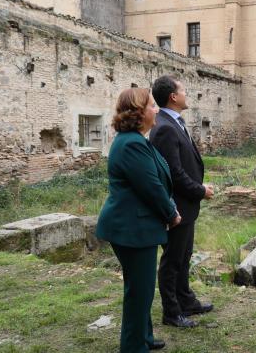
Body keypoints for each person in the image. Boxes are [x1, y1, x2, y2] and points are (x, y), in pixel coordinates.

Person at [96, 88, 181, 352]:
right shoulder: (132, 143)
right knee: (139, 293)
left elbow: (156, 181)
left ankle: (144, 337)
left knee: (140, 288)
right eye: (153, 106)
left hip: (134, 226)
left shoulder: (135, 139)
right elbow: (151, 187)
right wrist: (171, 213)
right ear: (138, 112)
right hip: (132, 229)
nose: (157, 110)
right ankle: (134, 347)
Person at [150, 76, 214, 328]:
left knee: (184, 256)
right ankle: (171, 312)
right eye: (183, 90)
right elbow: (174, 173)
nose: (187, 94)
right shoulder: (164, 126)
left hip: (186, 206)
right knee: (172, 260)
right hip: (177, 205)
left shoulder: (173, 122)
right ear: (173, 97)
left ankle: (186, 300)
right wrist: (200, 190)